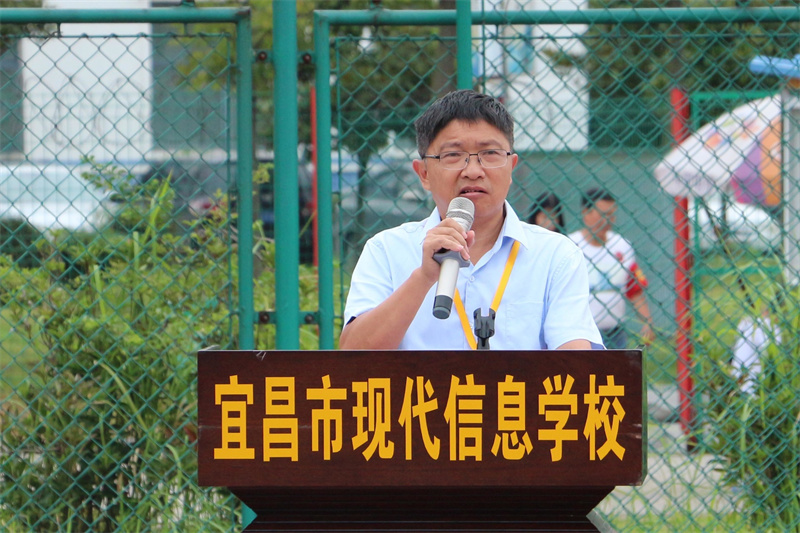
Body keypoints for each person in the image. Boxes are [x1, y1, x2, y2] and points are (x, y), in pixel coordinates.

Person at [339, 89, 602, 351]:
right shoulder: (386, 250)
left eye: (490, 154)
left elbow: (576, 361)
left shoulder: (555, 255)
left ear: (511, 167)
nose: (473, 171)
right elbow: (353, 356)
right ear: (424, 174)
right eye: (453, 155)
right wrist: (423, 278)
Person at [567, 188, 654, 349]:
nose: (607, 220)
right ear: (586, 213)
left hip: (615, 332)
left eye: (611, 215)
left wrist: (647, 321)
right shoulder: (569, 246)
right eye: (602, 214)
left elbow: (633, 288)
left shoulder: (622, 245)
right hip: (581, 333)